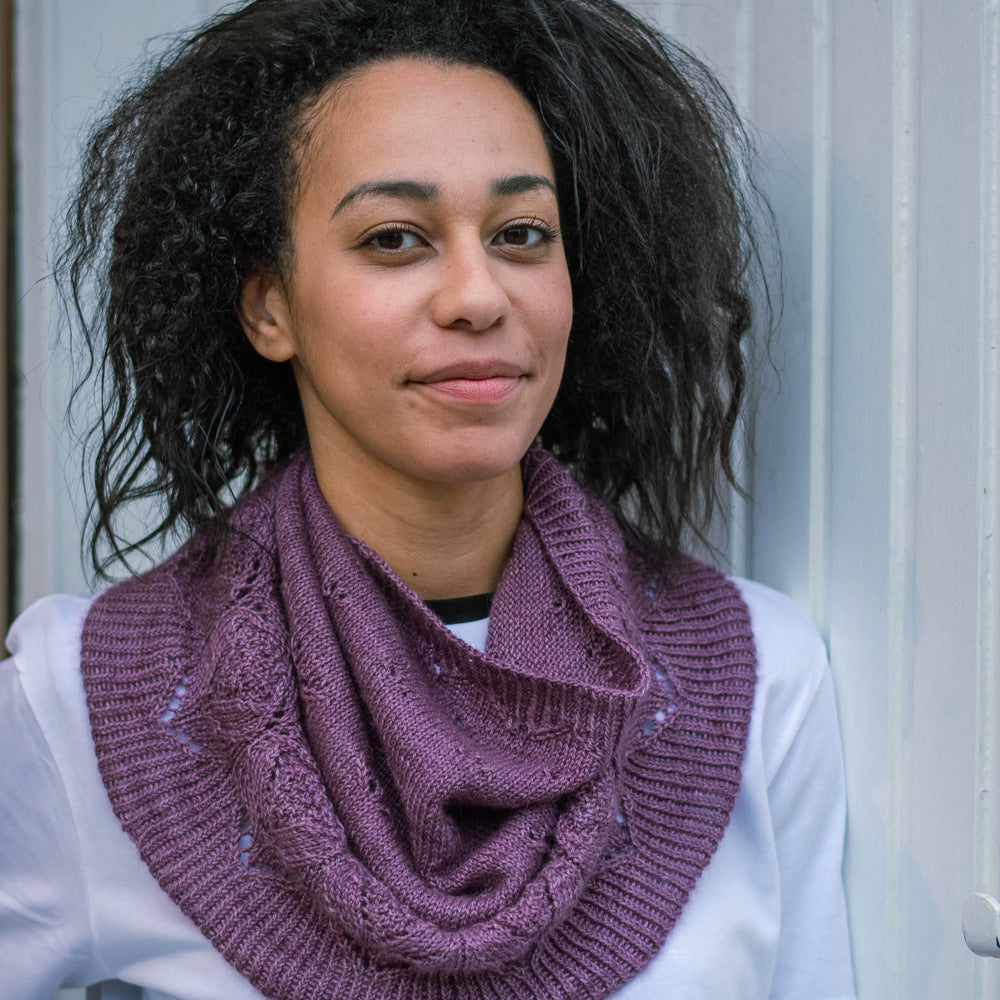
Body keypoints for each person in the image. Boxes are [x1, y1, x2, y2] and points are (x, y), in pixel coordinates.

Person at [0, 1, 856, 997]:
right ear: (268, 305)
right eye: (396, 238)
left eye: (522, 233)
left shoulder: (758, 681)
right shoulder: (78, 699)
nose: (476, 294)